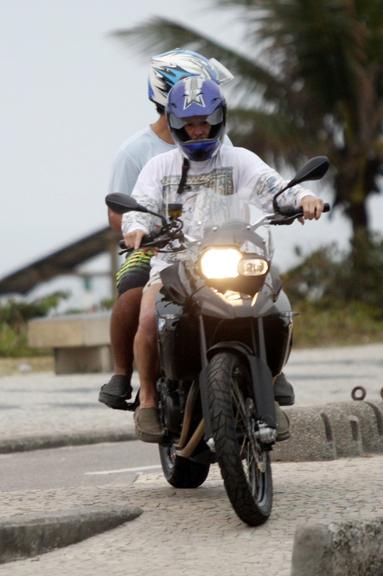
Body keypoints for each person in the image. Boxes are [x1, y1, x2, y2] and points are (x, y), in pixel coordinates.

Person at [122, 76, 325, 443]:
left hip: (237, 254)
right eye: (189, 124)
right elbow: (142, 207)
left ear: (218, 120)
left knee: (276, 305)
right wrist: (136, 228)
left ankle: (271, 382)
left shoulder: (239, 159)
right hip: (174, 260)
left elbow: (274, 188)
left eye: (204, 122)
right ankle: (149, 401)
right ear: (175, 124)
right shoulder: (159, 167)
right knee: (150, 316)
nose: (198, 131)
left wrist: (304, 199)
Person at [98, 49, 235, 410]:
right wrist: (141, 234)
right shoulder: (135, 151)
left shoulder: (222, 143)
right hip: (154, 246)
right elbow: (117, 212)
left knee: (262, 281)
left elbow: (241, 189)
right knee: (132, 294)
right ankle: (122, 372)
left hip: (213, 245)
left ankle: (266, 370)